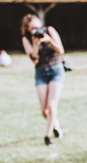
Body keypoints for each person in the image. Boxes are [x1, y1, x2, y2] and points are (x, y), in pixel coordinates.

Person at [20, 14, 66, 147]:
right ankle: (54, 124)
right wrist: (36, 44)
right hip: (41, 73)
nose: (37, 30)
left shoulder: (50, 30)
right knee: (44, 111)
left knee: (52, 106)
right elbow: (34, 59)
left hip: (56, 70)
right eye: (33, 28)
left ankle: (48, 137)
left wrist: (49, 40)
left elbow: (61, 50)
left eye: (37, 26)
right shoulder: (26, 39)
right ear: (28, 29)